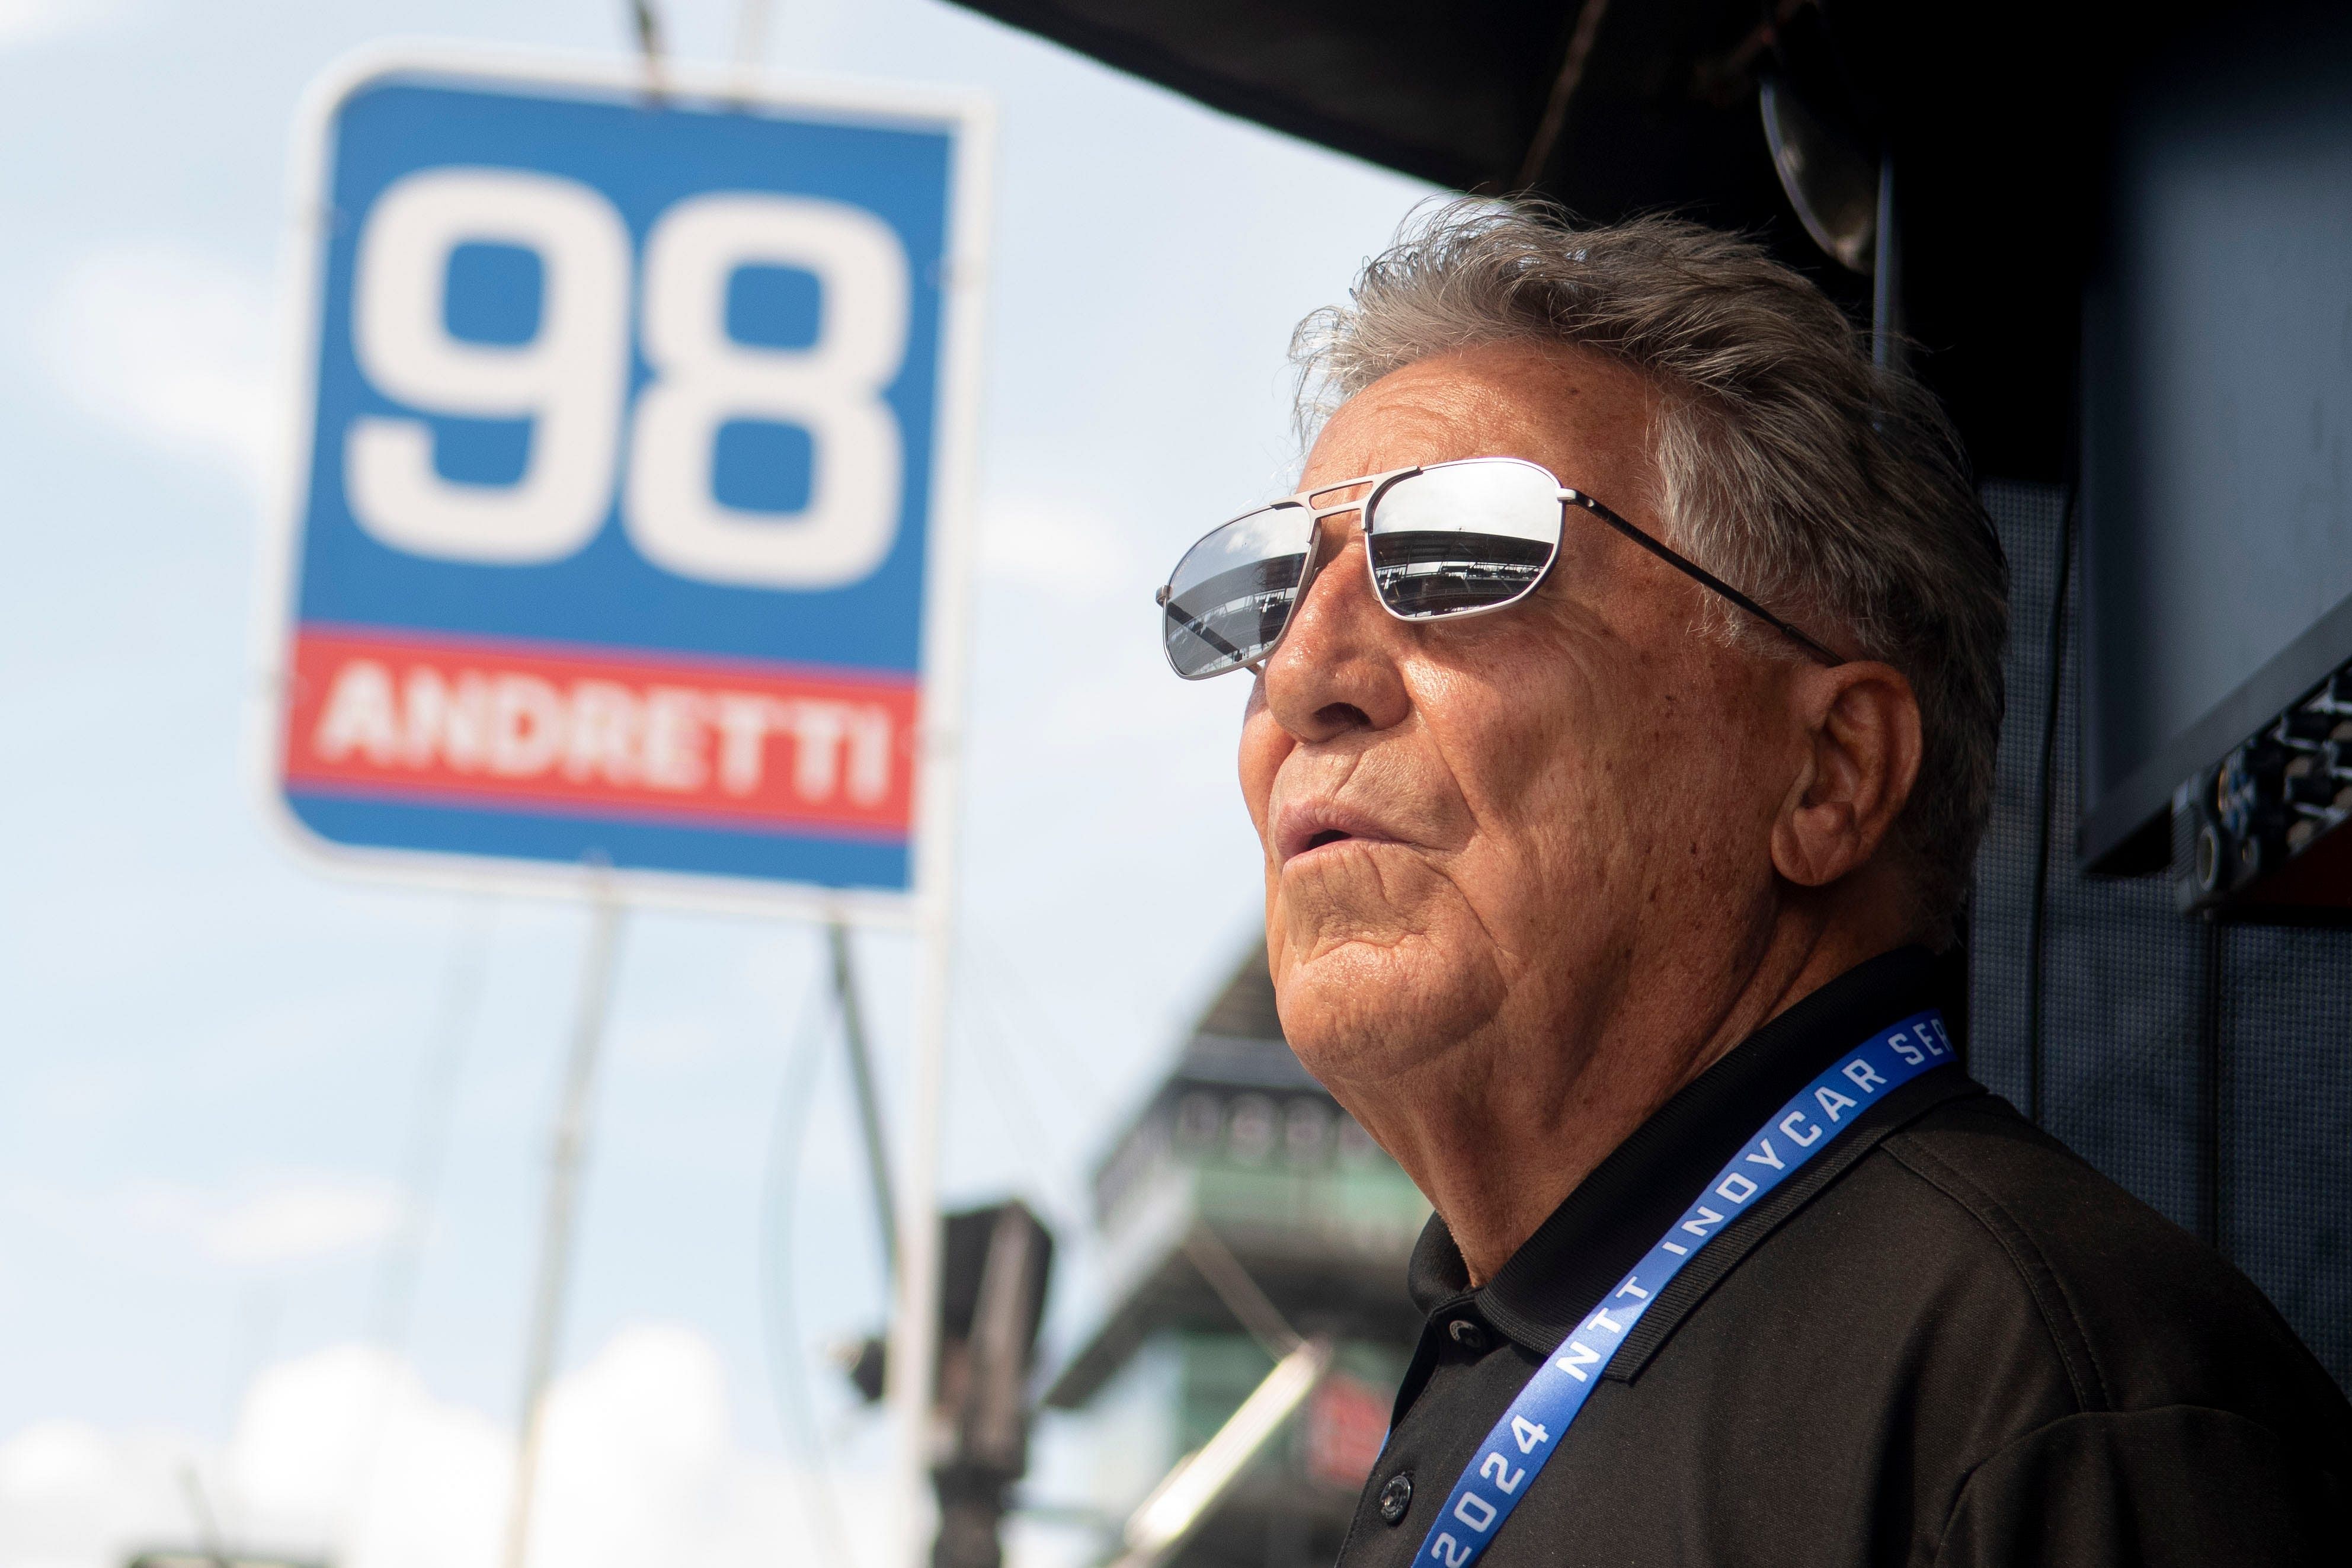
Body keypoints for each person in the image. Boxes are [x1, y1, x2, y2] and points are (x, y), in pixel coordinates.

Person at [1152, 201, 2352, 1565]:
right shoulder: (1512, 1362)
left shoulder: (2051, 1408)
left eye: (1463, 555)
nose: (1300, 678)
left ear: (1827, 773)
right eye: (1271, 593)